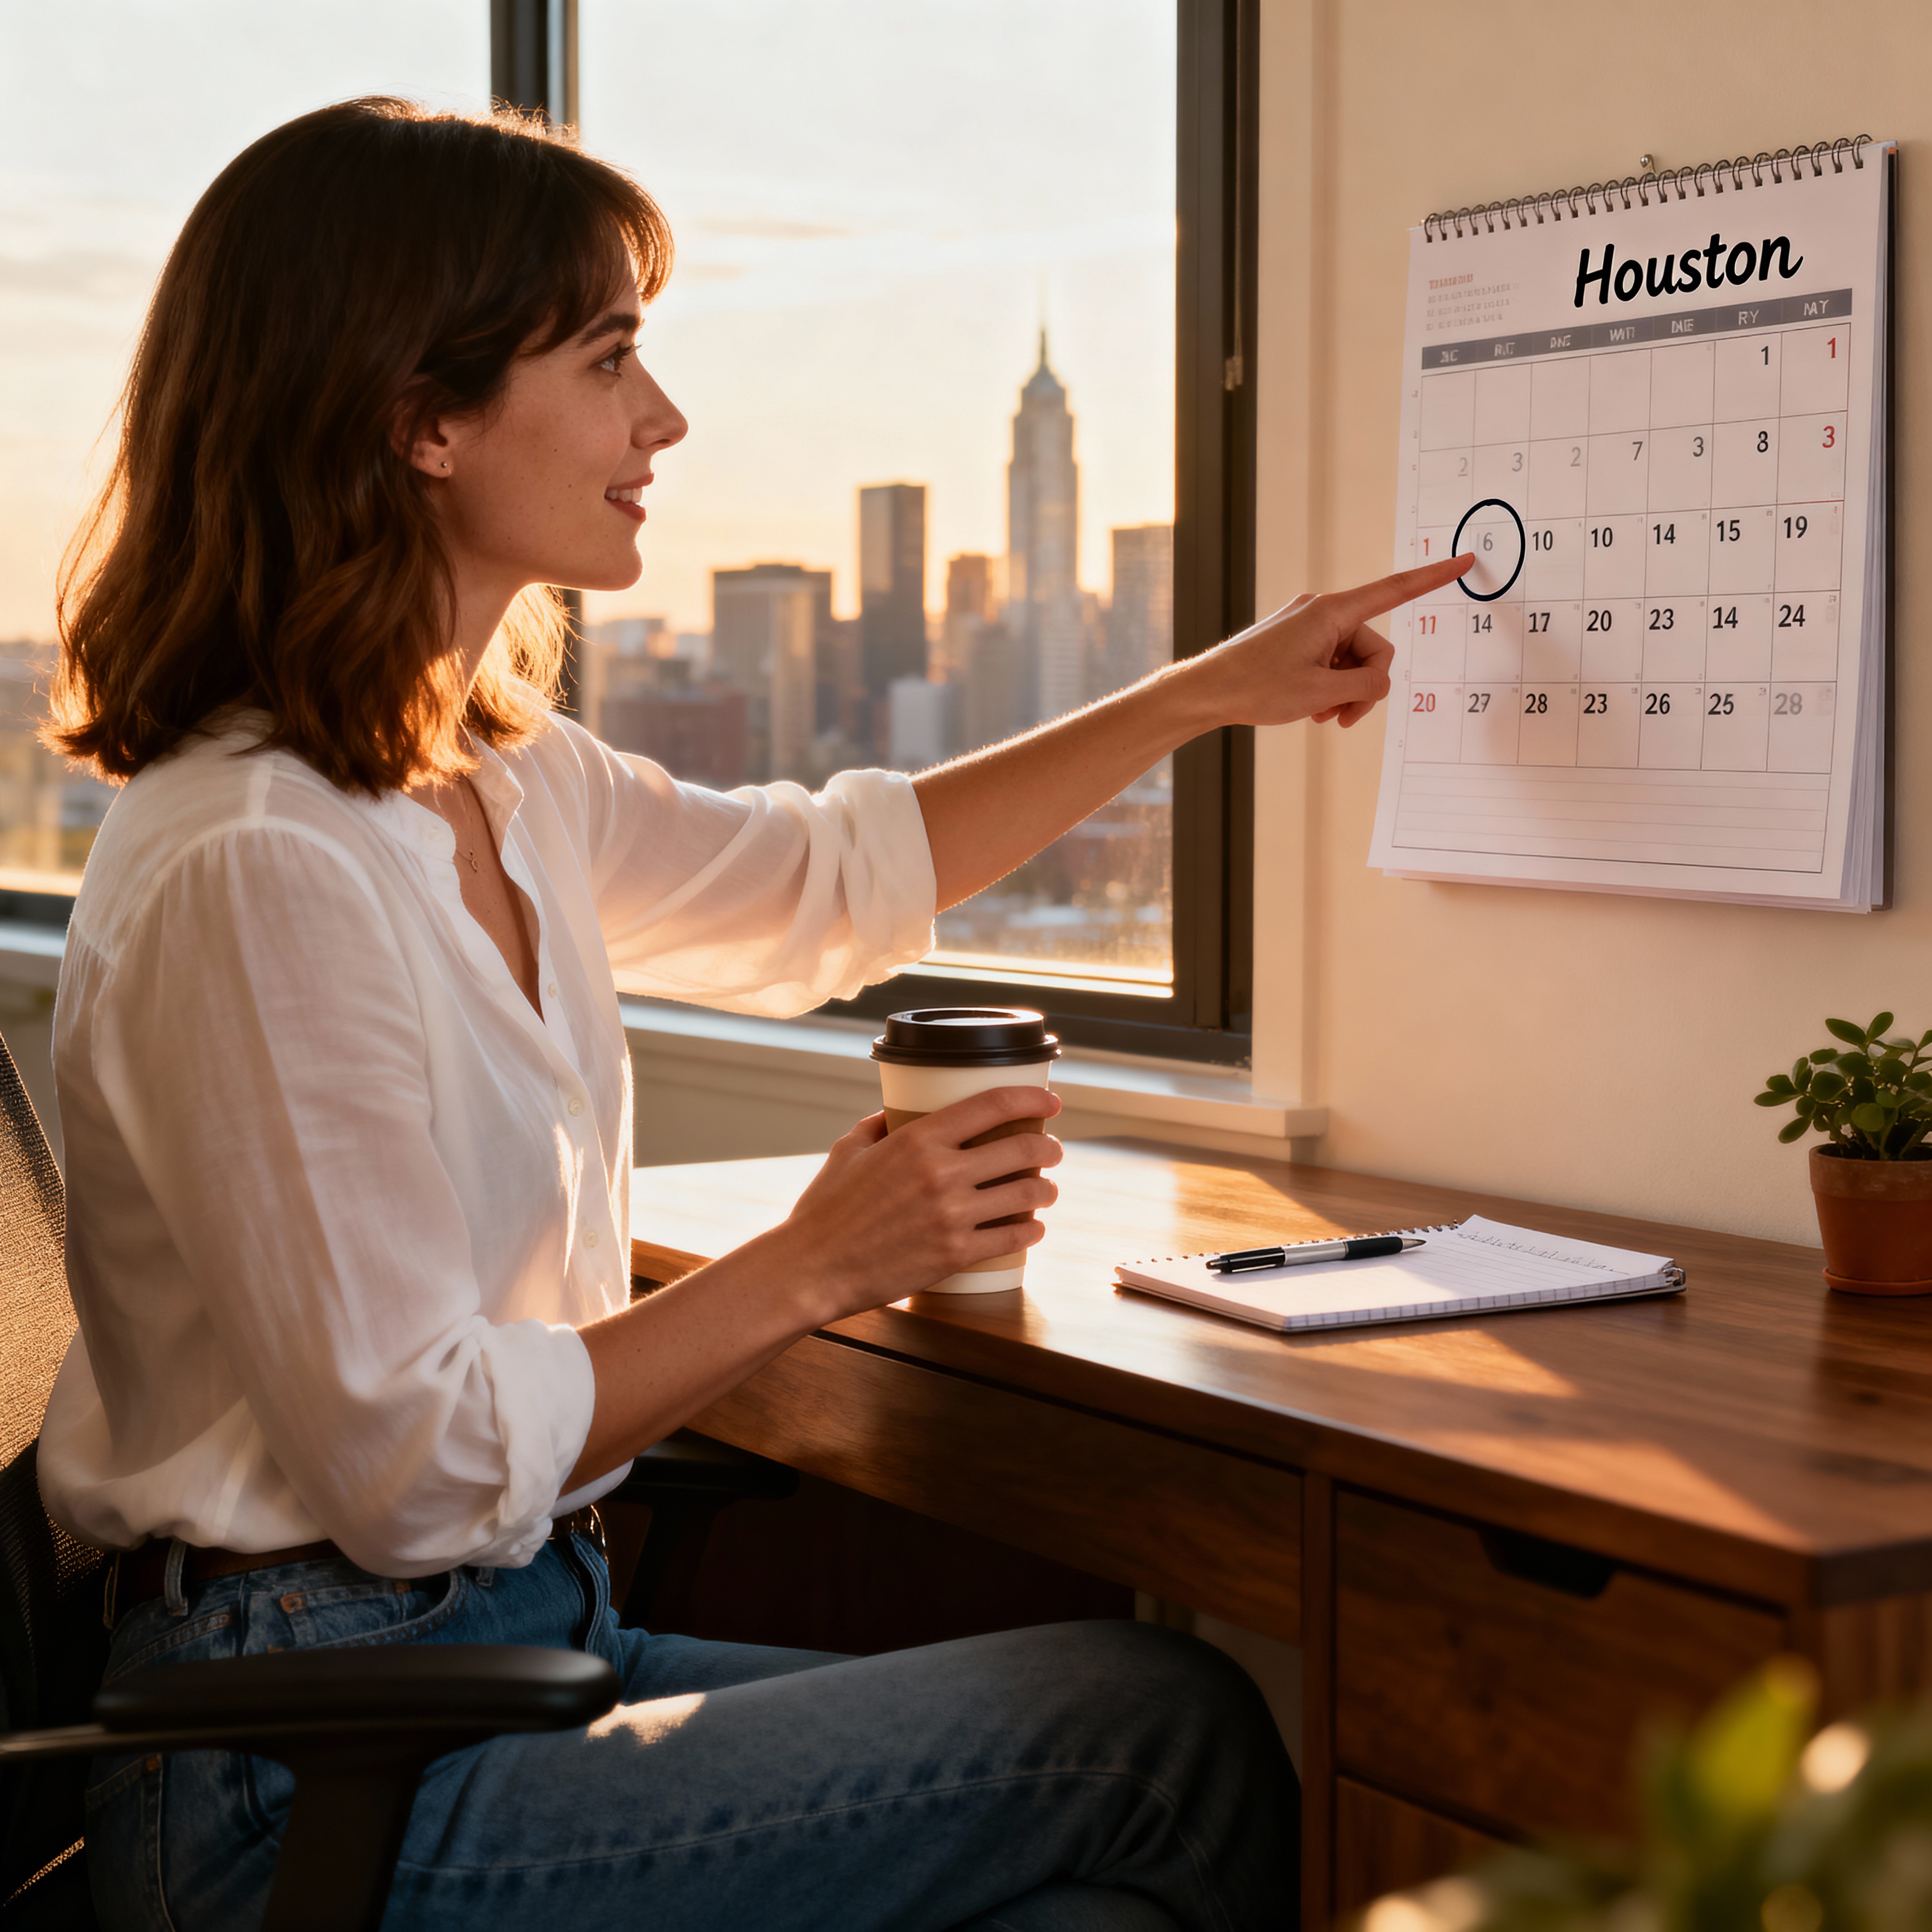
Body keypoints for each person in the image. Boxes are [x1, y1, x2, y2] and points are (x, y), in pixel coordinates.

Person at [38, 98, 1467, 1932]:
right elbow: (414, 1468)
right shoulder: (257, 858)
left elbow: (824, 880)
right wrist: (814, 1262)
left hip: (515, 1649)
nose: (666, 420)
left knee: (1088, 1906)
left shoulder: (498, 777)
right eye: (612, 355)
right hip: (305, 1773)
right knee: (1159, 1733)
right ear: (421, 417)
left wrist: (1199, 696)